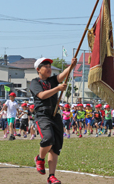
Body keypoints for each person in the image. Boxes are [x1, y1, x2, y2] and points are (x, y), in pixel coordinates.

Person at [30, 56, 77, 184]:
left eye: (50, 66)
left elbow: (61, 76)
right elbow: (42, 95)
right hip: (43, 115)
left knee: (56, 147)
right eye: (46, 66)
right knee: (48, 138)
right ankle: (40, 158)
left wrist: (71, 66)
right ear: (38, 69)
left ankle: (51, 176)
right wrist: (58, 88)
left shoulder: (52, 81)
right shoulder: (35, 83)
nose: (49, 68)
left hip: (55, 115)